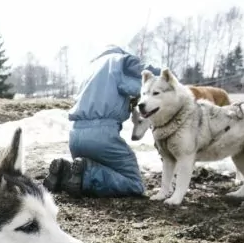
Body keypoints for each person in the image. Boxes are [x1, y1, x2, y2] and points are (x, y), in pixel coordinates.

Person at [45, 45, 159, 198]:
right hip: (102, 137)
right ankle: (86, 173)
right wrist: (169, 78)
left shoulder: (89, 69)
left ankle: (63, 172)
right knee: (134, 183)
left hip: (75, 137)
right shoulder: (121, 61)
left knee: (103, 168)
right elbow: (151, 80)